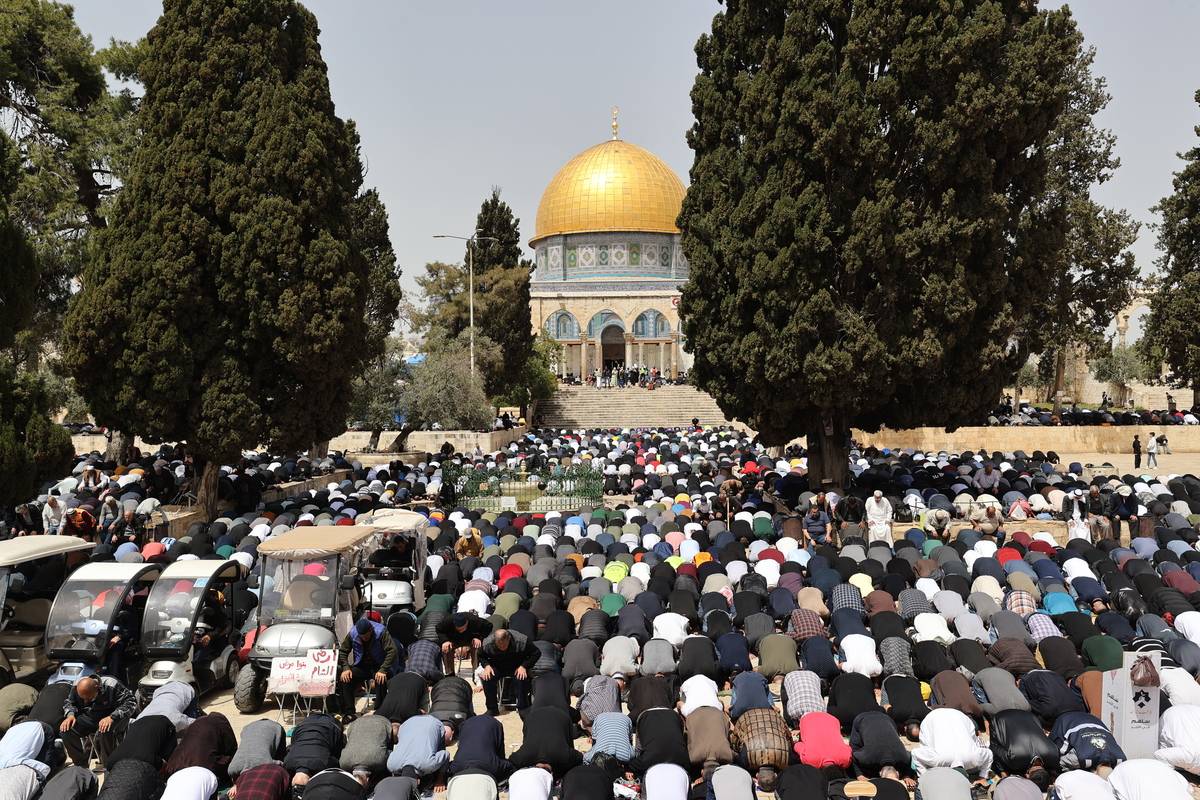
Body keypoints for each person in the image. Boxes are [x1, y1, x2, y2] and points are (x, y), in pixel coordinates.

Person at [59, 675, 138, 767]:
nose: (85, 701)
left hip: (114, 717)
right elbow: (69, 702)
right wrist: (70, 715)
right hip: (91, 716)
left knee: (105, 729)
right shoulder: (77, 686)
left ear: (97, 688)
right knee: (66, 730)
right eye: (83, 698)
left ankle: (109, 767)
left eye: (89, 698)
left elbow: (131, 702)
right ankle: (81, 767)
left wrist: (112, 717)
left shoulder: (111, 685)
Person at [337, 616, 399, 719]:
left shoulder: (381, 631)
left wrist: (383, 669)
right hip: (362, 665)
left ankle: (379, 710)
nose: (364, 638)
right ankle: (349, 712)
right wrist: (346, 668)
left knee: (381, 679)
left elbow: (392, 651)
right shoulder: (353, 633)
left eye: (366, 636)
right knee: (345, 679)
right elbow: (343, 651)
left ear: (371, 630)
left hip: (378, 665)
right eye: (361, 636)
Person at [910, 707, 992, 778]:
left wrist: (983, 776)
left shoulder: (973, 757)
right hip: (935, 717)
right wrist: (925, 776)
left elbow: (989, 754)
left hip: (960, 716)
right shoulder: (938, 759)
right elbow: (915, 754)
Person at [729, 706, 793, 793]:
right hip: (746, 716)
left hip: (772, 715)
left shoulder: (786, 759)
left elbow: (789, 739)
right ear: (756, 775)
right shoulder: (746, 760)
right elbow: (735, 744)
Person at [477, 628, 538, 715]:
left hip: (517, 666)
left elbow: (536, 653)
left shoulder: (521, 640)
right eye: (499, 646)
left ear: (508, 639)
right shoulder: (488, 643)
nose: (502, 648)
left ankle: (523, 708)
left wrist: (524, 666)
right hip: (498, 666)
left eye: (504, 645)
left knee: (521, 678)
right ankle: (492, 708)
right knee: (487, 678)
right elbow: (480, 655)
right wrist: (486, 666)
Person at [509, 706, 581, 777]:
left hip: (550, 716)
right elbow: (579, 758)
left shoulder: (564, 755)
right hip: (556, 716)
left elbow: (579, 758)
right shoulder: (524, 755)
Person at [386, 714, 451, 787]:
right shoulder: (391, 765)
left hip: (432, 723)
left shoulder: (429, 764)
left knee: (438, 751)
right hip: (407, 723)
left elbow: (446, 754)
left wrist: (440, 780)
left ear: (418, 781)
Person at [436, 612, 491, 676]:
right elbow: (438, 629)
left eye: (462, 628)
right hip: (453, 640)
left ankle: (476, 673)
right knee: (446, 648)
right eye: (458, 629)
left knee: (477, 647)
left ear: (467, 622)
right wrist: (445, 640)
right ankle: (450, 673)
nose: (460, 631)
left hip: (470, 639)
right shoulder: (448, 621)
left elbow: (489, 626)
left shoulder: (474, 620)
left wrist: (479, 637)